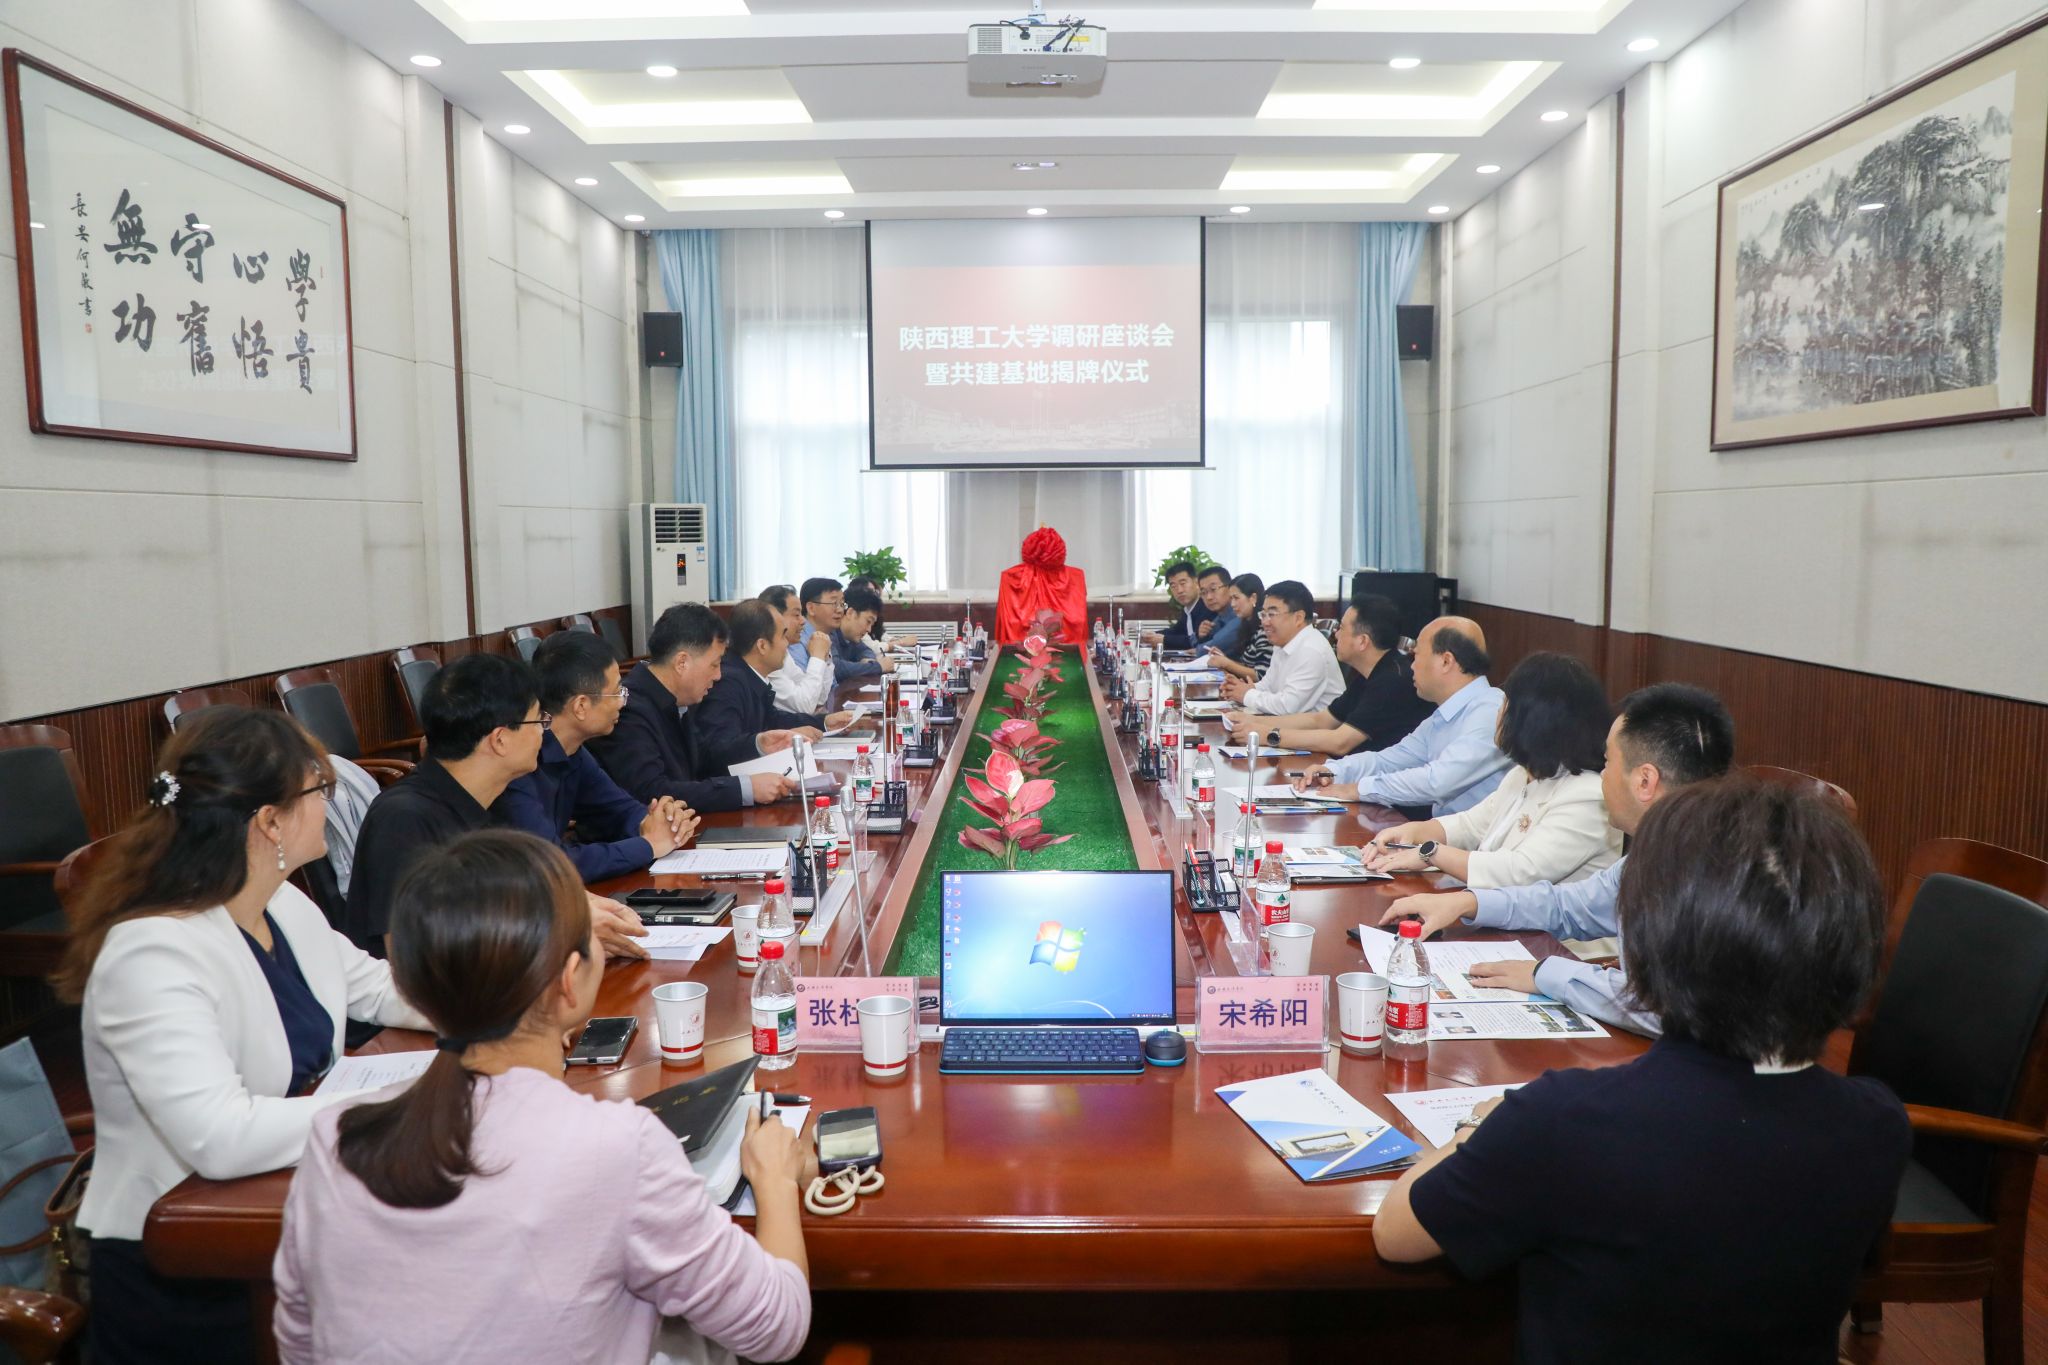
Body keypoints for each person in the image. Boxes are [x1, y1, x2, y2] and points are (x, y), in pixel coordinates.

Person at [1373, 779, 1909, 1365]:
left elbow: (1396, 1234)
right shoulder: (1878, 1125)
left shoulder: (1563, 1120)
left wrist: (1483, 1124)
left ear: (1648, 947)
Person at [273, 831, 815, 1363]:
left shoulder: (334, 1140)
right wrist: (774, 1179)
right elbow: (777, 1327)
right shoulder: (615, 1148)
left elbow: (302, 1342)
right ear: (571, 980)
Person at [53, 708, 428, 1365]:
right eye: (321, 790)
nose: (331, 804)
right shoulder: (151, 953)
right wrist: (402, 1100)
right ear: (270, 822)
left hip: (282, 1205)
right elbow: (220, 1136)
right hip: (187, 1261)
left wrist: (505, 1003)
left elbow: (375, 985)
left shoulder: (279, 902)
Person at [1376, 682, 1735, 1033]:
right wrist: (1468, 903)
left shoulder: (1712, 874)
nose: (1603, 776)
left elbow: (1657, 1006)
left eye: (1608, 762)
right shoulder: (1659, 851)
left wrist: (1545, 974)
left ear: (1645, 782)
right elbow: (1568, 906)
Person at [348, 654, 650, 962]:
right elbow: (411, 956)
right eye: (539, 721)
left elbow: (516, 895)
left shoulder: (489, 800)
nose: (544, 732)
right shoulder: (403, 819)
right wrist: (563, 928)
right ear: (500, 740)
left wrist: (577, 903)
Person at [1361, 651, 1619, 889]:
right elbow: (1470, 825)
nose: (1499, 712)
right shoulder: (1522, 775)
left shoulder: (1587, 796)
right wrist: (1413, 832)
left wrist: (1431, 853)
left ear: (1533, 719)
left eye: (1506, 702)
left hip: (1539, 926)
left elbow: (1518, 872)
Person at [493, 631, 699, 883]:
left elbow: (619, 808)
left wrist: (657, 822)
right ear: (580, 706)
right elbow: (552, 863)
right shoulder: (517, 765)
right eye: (617, 692)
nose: (623, 702)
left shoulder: (575, 752)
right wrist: (648, 846)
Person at [589, 603, 801, 813]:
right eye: (714, 664)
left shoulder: (679, 699)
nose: (718, 675)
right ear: (682, 663)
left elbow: (705, 758)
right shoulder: (629, 710)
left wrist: (758, 744)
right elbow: (652, 792)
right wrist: (745, 789)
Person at [1292, 617, 1510, 817]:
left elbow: (1436, 782)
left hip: (1475, 844)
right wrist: (1334, 771)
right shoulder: (1445, 713)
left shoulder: (1490, 711)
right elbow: (1390, 760)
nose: (1411, 666)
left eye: (1416, 656)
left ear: (1446, 661)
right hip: (1443, 834)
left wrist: (1358, 789)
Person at [1225, 595, 1433, 757]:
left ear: (1362, 641)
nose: (1336, 635)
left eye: (1341, 628)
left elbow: (1340, 742)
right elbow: (1322, 720)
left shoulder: (1392, 680)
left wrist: (1269, 736)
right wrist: (1254, 722)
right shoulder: (1371, 672)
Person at [697, 600, 840, 758]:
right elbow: (720, 747)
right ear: (762, 646)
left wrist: (824, 722)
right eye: (783, 636)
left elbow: (774, 719)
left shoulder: (749, 675)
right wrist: (759, 744)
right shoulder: (728, 683)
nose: (787, 644)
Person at [1218, 579, 1344, 716]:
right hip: (1289, 724)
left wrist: (1246, 694)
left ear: (1298, 618)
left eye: (1272, 614)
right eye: (1263, 614)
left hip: (1315, 728)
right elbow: (1268, 685)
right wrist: (1239, 688)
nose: (1265, 622)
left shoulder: (1311, 650)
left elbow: (1288, 707)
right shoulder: (1283, 642)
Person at [761, 583, 834, 715]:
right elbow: (805, 706)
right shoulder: (767, 655)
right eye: (796, 615)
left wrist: (824, 658)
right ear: (775, 617)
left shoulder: (784, 653)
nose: (803, 621)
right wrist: (817, 657)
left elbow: (818, 699)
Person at [1206, 573, 1272, 677]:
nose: (1232, 604)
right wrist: (1223, 659)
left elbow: (1260, 675)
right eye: (1231, 599)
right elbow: (1247, 666)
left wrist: (1226, 663)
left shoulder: (1265, 629)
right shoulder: (1246, 625)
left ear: (1253, 598)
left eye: (1236, 598)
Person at [1140, 560, 1214, 651]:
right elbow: (1176, 631)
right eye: (1173, 586)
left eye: (1183, 584)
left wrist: (1164, 640)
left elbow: (1193, 641)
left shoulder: (1207, 607)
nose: (1179, 590)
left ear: (1196, 583)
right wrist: (1151, 635)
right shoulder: (1188, 609)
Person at [785, 577, 843, 674]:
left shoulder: (826, 636)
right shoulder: (797, 640)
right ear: (811, 608)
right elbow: (804, 682)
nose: (840, 610)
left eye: (842, 604)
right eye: (834, 603)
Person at [829, 586, 887, 683]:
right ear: (850, 613)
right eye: (868, 621)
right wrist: (878, 667)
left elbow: (866, 650)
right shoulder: (830, 632)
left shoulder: (852, 638)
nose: (869, 629)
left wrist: (868, 661)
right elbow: (836, 669)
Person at [1194, 565, 1242, 656]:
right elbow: (1197, 647)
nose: (1209, 597)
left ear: (1230, 588)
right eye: (1203, 592)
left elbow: (1203, 651)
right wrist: (1201, 636)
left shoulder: (1239, 616)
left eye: (1213, 589)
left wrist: (1198, 648)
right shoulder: (1217, 619)